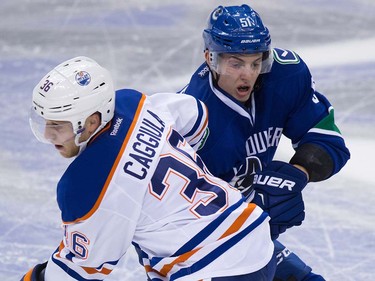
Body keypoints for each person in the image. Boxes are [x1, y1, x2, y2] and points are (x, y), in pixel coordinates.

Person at [21, 56, 307, 281]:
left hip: (211, 270)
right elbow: (196, 117)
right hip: (253, 236)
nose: (48, 135)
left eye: (58, 125)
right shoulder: (131, 103)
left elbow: (79, 271)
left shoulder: (85, 185)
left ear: (93, 121)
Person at [179, 4, 350, 281]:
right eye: (235, 63)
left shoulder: (286, 77)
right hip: (198, 244)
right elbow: (170, 214)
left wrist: (298, 172)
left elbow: (327, 140)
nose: (248, 74)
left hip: (248, 226)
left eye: (256, 62)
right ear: (211, 58)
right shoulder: (191, 120)